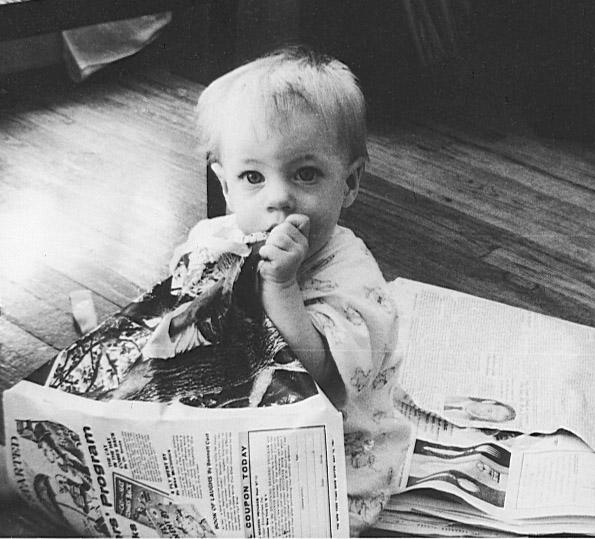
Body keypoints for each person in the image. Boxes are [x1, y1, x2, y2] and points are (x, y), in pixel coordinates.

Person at [173, 46, 410, 533]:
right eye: (253, 177)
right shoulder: (214, 237)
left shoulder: (354, 278)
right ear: (225, 183)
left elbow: (325, 380)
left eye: (305, 174)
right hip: (235, 425)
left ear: (350, 182)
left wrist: (280, 288)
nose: (278, 197)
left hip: (332, 453)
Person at [443, 396, 517, 423]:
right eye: (489, 410)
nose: (483, 415)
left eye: (489, 418)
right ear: (489, 402)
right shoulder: (457, 396)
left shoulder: (460, 423)